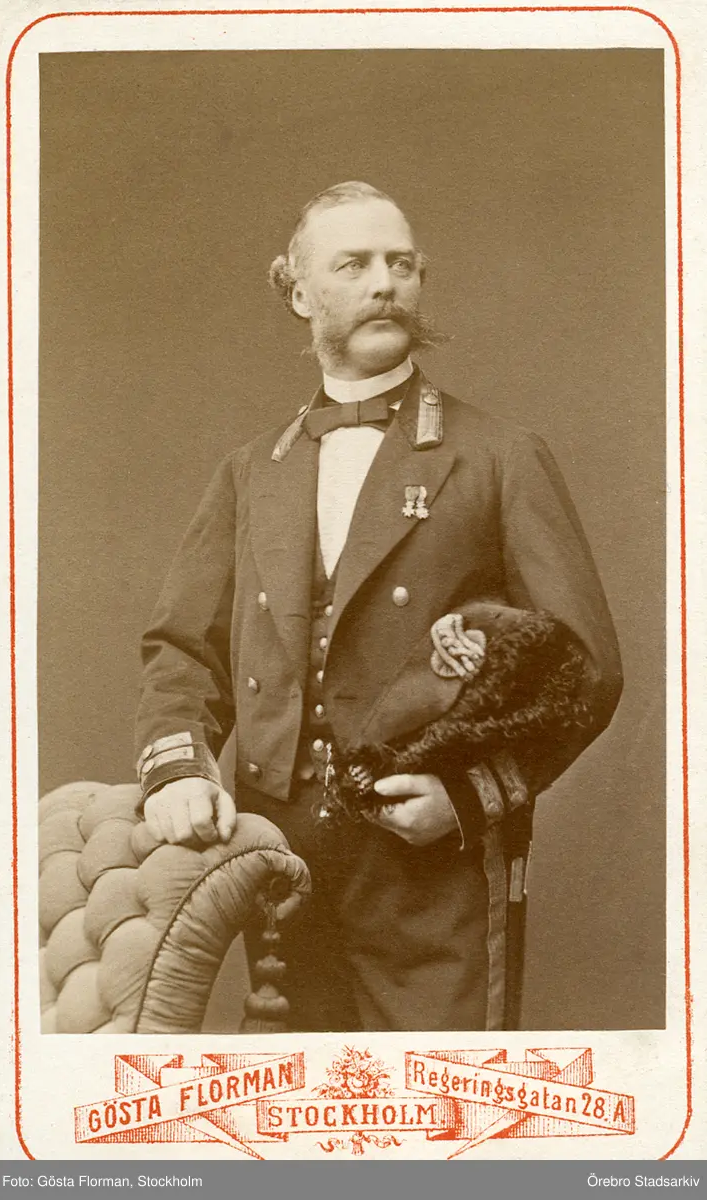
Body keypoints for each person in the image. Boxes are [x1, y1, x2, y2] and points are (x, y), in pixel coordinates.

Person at [134, 181, 623, 1032]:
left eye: (401, 264)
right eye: (353, 265)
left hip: (431, 865)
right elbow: (183, 650)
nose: (384, 283)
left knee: (437, 1102)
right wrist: (178, 768)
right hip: (279, 864)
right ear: (297, 292)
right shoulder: (250, 473)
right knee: (300, 1096)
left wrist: (469, 797)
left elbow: (586, 667)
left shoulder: (499, 456)